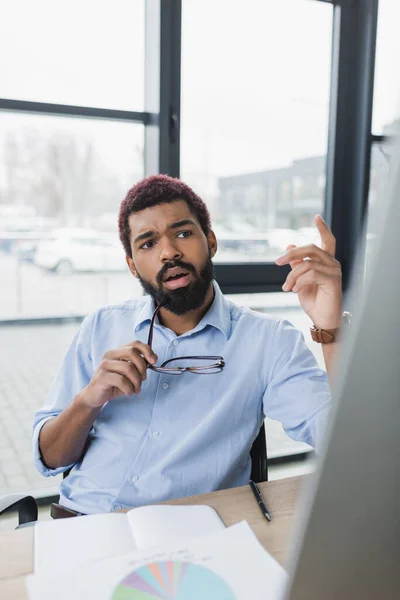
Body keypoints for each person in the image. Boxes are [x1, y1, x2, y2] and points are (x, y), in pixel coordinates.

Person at [33, 175, 342, 515]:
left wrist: (331, 329)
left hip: (190, 534)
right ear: (132, 265)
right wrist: (88, 400)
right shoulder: (101, 326)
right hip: (80, 521)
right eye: (148, 244)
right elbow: (50, 458)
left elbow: (346, 444)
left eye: (182, 233)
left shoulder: (269, 341)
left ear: (210, 241)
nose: (169, 252)